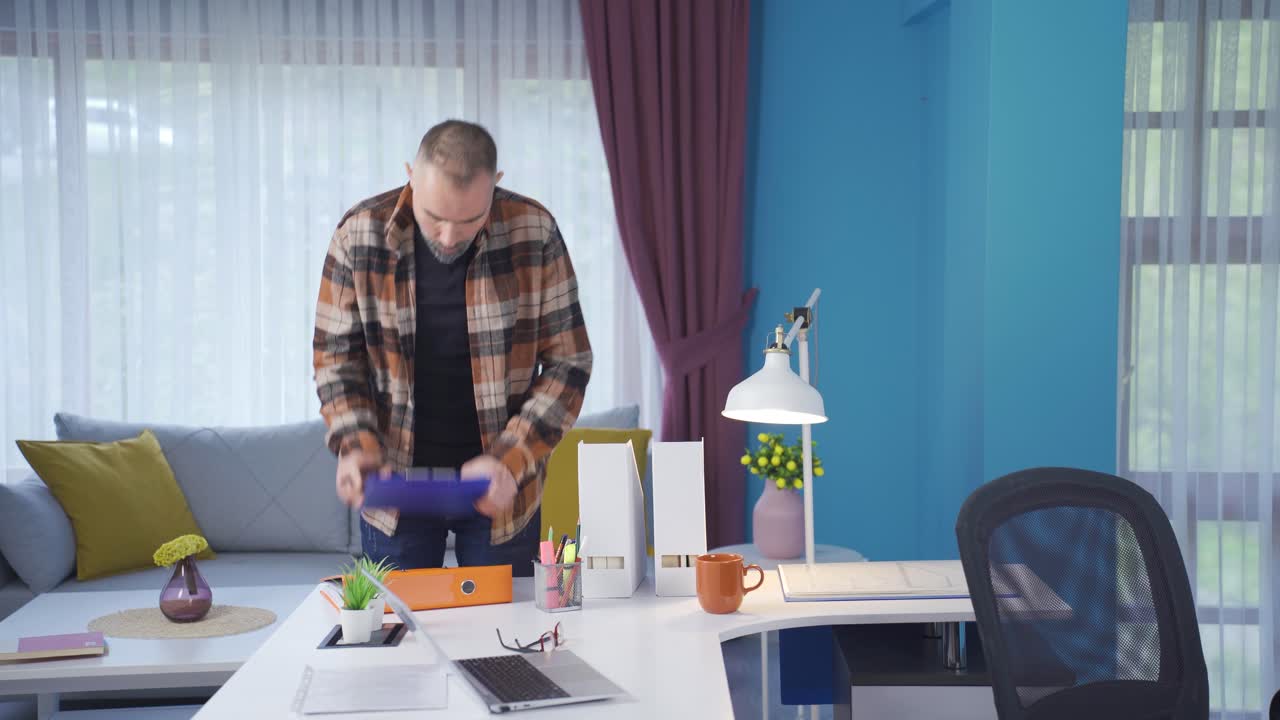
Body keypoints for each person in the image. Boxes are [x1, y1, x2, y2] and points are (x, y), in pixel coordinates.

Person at [313, 119, 592, 576]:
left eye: (468, 220)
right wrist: (355, 444)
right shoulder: (357, 235)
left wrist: (511, 456)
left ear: (495, 186)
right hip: (394, 486)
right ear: (411, 174)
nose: (447, 237)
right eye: (434, 216)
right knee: (399, 637)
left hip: (501, 489)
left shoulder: (534, 231)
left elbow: (569, 362)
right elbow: (336, 362)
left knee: (503, 640)